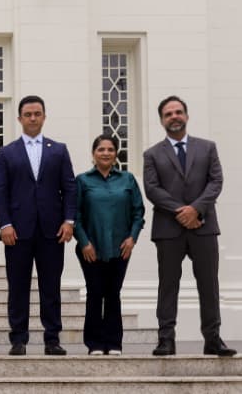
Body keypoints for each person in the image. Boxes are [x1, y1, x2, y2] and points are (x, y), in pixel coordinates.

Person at [142, 95, 236, 357]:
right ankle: (166, 339)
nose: (174, 117)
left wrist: (196, 209)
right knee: (168, 284)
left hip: (203, 226)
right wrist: (181, 211)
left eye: (178, 112)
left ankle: (213, 338)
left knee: (209, 284)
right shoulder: (151, 154)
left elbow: (216, 182)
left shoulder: (207, 148)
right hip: (168, 229)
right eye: (169, 114)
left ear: (187, 115)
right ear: (161, 120)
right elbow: (152, 189)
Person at [0, 95, 77, 355]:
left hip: (52, 230)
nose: (32, 118)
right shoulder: (7, 153)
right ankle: (18, 339)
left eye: (37, 114)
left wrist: (69, 220)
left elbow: (70, 188)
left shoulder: (59, 150)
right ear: (19, 119)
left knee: (50, 286)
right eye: (27, 114)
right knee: (18, 286)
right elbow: (0, 192)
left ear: (43, 117)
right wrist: (4, 224)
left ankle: (52, 339)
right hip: (17, 231)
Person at [73, 134, 144, 355]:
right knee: (95, 292)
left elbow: (138, 212)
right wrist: (84, 242)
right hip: (90, 249)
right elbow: (74, 214)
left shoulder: (128, 179)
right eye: (101, 149)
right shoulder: (83, 181)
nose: (105, 153)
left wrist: (132, 238)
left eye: (110, 149)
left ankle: (114, 343)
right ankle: (94, 343)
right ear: (93, 154)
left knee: (113, 292)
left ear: (116, 154)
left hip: (120, 247)